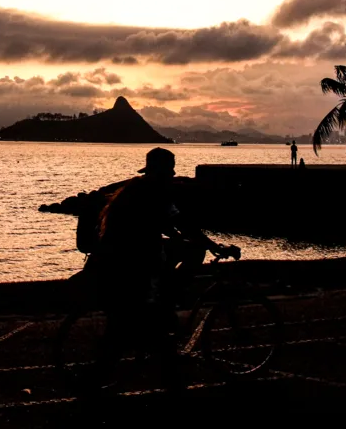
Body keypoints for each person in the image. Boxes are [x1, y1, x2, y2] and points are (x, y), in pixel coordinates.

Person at [91, 148, 237, 386]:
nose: (173, 174)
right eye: (170, 169)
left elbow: (166, 225)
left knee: (136, 323)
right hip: (133, 262)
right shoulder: (154, 192)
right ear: (162, 171)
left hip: (119, 256)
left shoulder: (135, 189)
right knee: (132, 326)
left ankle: (162, 350)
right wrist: (214, 245)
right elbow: (182, 224)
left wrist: (188, 240)